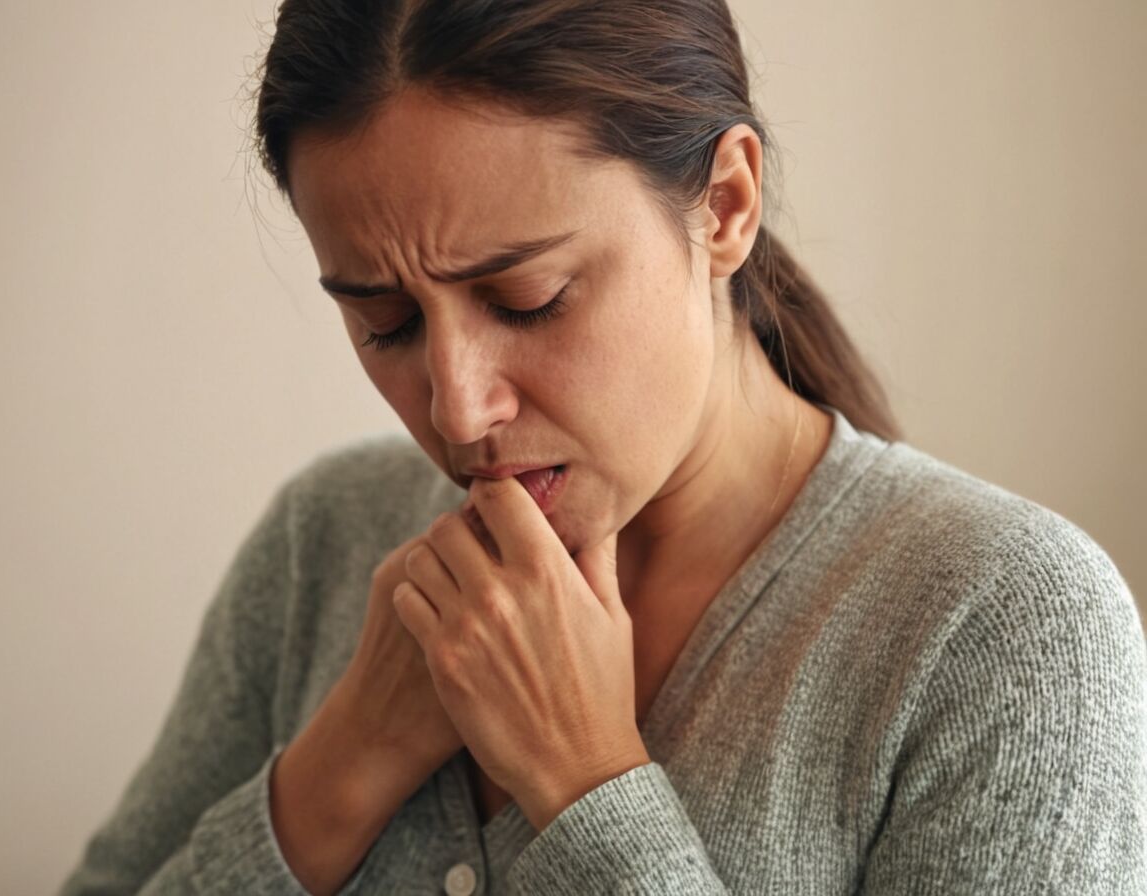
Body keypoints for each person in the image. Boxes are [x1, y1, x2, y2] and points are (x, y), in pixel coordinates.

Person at [61, 1, 1146, 893]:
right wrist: (341, 766)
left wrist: (588, 789)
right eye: (384, 322)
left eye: (528, 299)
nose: (458, 407)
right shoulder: (322, 539)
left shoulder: (999, 626)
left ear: (724, 204)